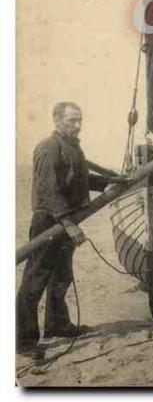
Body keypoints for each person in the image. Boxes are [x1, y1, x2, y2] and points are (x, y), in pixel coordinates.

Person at [17, 103, 101, 358]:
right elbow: (49, 191)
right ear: (56, 120)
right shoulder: (48, 148)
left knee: (62, 275)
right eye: (71, 121)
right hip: (49, 221)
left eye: (79, 120)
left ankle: (57, 325)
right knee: (35, 280)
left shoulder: (72, 147)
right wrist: (69, 224)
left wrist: (116, 181)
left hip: (65, 220)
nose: (77, 125)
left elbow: (83, 179)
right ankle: (23, 341)